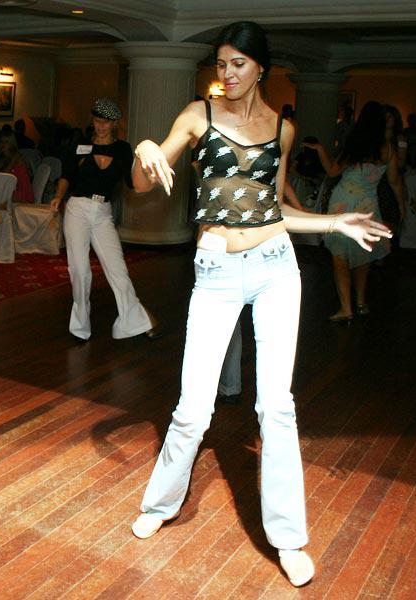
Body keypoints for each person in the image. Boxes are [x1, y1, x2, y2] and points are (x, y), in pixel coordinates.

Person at [127, 21, 391, 587]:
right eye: (221, 64)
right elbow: (143, 184)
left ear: (260, 68)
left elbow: (273, 209)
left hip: (275, 268)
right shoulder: (198, 115)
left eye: (238, 64)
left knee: (277, 406)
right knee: (194, 407)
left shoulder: (283, 130)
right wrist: (145, 148)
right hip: (216, 272)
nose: (227, 74)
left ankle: (289, 539)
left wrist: (333, 222)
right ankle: (161, 503)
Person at [49, 97, 159, 342]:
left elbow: (132, 183)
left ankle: (134, 322)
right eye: (97, 120)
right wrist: (58, 196)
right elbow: (67, 175)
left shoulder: (122, 149)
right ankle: (80, 327)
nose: (100, 126)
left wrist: (149, 171)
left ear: (114, 124)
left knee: (117, 269)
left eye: (106, 122)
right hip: (77, 208)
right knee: (80, 271)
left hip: (103, 213)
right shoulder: (80, 145)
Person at [307, 101, 403, 321]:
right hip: (367, 205)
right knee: (363, 254)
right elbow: (394, 180)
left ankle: (346, 308)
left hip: (342, 202)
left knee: (339, 255)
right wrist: (401, 205)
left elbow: (332, 171)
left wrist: (320, 149)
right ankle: (360, 302)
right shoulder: (388, 148)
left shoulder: (355, 144)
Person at [377, 105, 408, 239]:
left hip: (390, 180)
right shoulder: (376, 138)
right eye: (385, 116)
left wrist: (389, 159)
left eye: (390, 116)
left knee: (389, 216)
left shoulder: (399, 138)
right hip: (376, 179)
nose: (387, 119)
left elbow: (401, 162)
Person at [0, 131, 34, 203]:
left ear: (11, 144)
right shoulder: (5, 159)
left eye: (6, 142)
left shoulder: (16, 156)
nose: (3, 145)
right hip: (14, 191)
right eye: (1, 142)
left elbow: (6, 175)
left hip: (23, 192)